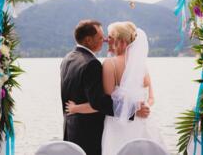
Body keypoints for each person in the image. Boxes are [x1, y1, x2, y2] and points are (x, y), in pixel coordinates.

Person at [66, 21, 165, 155]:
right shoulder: (141, 65)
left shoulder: (109, 64)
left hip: (118, 126)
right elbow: (151, 98)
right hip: (142, 124)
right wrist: (143, 107)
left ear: (121, 41)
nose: (107, 40)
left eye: (110, 37)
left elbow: (104, 103)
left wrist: (76, 108)